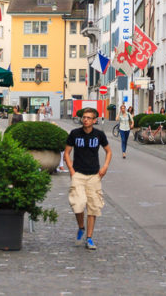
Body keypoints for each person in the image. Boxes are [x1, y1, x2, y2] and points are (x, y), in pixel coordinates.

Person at [64, 107, 112, 250]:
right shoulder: (74, 133)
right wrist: (71, 170)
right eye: (84, 117)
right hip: (78, 174)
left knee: (93, 207)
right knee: (78, 205)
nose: (85, 120)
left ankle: (89, 238)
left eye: (89, 118)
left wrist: (105, 167)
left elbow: (108, 151)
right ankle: (81, 227)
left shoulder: (99, 135)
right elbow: (66, 153)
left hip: (94, 175)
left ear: (94, 120)